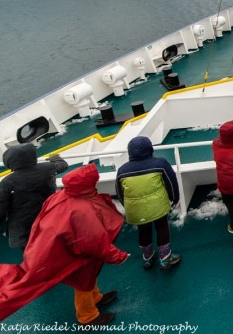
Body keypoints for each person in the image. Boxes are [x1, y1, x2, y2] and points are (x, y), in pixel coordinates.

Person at [0, 164, 129, 325]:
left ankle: (96, 298)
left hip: (60, 250)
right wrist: (118, 256)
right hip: (73, 255)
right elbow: (93, 241)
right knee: (83, 282)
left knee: (89, 277)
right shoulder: (82, 209)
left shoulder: (61, 196)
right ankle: (87, 316)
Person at [115, 136, 181, 270]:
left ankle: (148, 257)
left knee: (143, 230)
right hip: (157, 207)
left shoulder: (122, 170)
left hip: (135, 209)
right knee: (162, 228)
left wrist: (126, 206)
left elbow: (119, 192)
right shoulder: (160, 163)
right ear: (150, 149)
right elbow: (171, 181)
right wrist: (174, 198)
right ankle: (165, 258)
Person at [0, 144, 68, 249]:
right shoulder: (47, 168)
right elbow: (62, 165)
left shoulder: (7, 182)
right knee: (54, 246)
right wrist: (55, 158)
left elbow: (2, 206)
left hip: (23, 227)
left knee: (32, 253)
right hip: (48, 215)